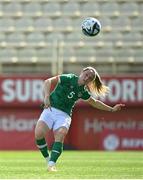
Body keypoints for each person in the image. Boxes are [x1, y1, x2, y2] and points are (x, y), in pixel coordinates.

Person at [35, 67, 125, 172]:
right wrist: (46, 96)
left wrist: (111, 109)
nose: (87, 78)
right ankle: (48, 159)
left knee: (60, 133)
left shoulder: (83, 91)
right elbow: (48, 81)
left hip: (64, 115)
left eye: (90, 78)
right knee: (38, 134)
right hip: (50, 109)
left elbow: (94, 102)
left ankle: (51, 165)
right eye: (86, 74)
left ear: (91, 81)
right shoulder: (69, 78)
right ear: (82, 72)